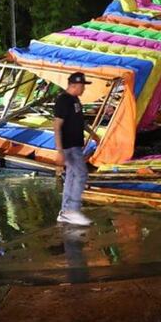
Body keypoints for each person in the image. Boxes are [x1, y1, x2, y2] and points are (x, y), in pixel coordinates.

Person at [53, 72, 100, 226]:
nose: (84, 89)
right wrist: (59, 151)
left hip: (76, 145)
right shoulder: (63, 101)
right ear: (74, 85)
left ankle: (65, 211)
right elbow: (57, 126)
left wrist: (92, 134)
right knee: (81, 174)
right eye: (82, 86)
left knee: (72, 178)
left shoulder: (75, 100)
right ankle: (72, 210)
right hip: (68, 147)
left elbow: (79, 121)